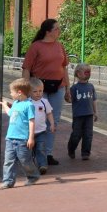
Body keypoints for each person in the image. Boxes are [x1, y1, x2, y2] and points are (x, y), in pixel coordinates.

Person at [22, 18, 70, 168]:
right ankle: (35, 151)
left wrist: (68, 88)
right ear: (48, 31)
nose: (59, 31)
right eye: (56, 29)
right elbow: (26, 69)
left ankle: (48, 154)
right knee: (36, 119)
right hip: (39, 88)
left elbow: (65, 68)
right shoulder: (35, 47)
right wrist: (26, 89)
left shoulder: (60, 46)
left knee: (53, 121)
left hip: (58, 87)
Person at [0, 77, 41, 189]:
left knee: (25, 160)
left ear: (19, 92)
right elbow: (10, 113)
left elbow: (32, 121)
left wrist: (31, 138)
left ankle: (33, 176)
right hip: (10, 138)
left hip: (22, 140)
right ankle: (8, 181)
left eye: (11, 92)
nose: (11, 94)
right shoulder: (16, 103)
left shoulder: (29, 105)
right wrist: (5, 105)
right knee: (8, 161)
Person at [67, 63, 98, 160]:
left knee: (88, 135)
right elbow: (69, 100)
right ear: (78, 74)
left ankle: (85, 153)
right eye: (86, 72)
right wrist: (67, 96)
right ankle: (71, 148)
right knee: (76, 134)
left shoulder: (91, 86)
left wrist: (95, 112)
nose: (88, 74)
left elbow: (94, 100)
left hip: (89, 115)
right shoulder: (74, 88)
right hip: (78, 115)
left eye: (89, 72)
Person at [28, 78, 55, 174]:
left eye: (40, 91)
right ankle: (30, 166)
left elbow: (49, 113)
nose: (38, 93)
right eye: (35, 91)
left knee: (40, 149)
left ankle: (42, 165)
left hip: (41, 132)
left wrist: (52, 123)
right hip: (28, 132)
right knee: (29, 150)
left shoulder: (44, 102)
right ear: (29, 92)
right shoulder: (27, 102)